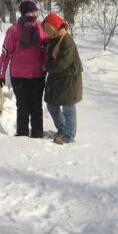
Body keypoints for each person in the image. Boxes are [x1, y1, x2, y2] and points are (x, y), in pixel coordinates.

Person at [0, 0, 47, 138]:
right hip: (19, 75)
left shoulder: (41, 28)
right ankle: (22, 134)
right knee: (23, 106)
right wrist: (0, 74)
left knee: (36, 106)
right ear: (24, 13)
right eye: (31, 12)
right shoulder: (13, 30)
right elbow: (5, 53)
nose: (34, 14)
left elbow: (47, 49)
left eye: (35, 11)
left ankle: (37, 133)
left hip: (38, 74)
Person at [42, 12, 83, 145]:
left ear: (54, 28)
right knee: (51, 105)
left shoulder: (66, 40)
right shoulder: (53, 39)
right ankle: (63, 129)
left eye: (48, 30)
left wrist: (46, 66)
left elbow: (63, 63)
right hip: (57, 80)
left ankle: (69, 136)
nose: (46, 32)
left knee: (68, 109)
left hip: (69, 81)